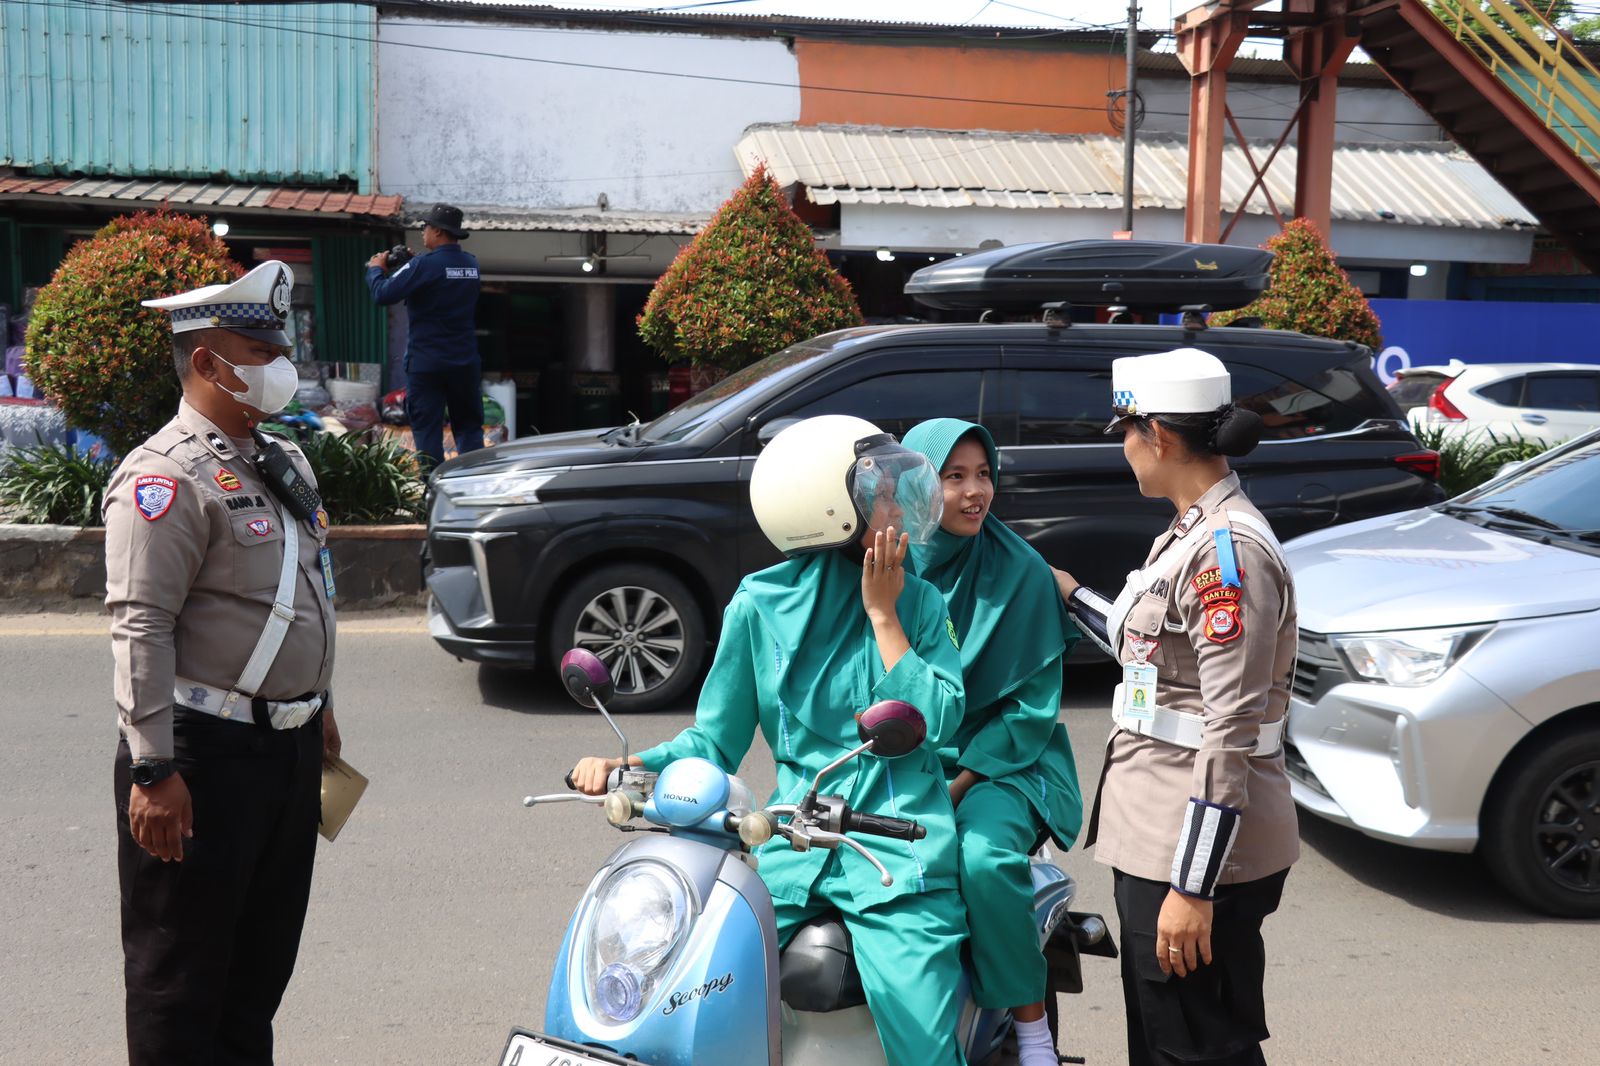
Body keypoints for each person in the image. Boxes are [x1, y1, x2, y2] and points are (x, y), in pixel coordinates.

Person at [570, 414, 972, 1066]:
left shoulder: (919, 601)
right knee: (683, 979)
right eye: (881, 496)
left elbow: (941, 719)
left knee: (922, 1043)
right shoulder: (757, 606)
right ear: (829, 510)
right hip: (791, 852)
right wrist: (627, 764)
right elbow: (714, 740)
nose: (899, 509)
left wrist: (883, 615)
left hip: (897, 863)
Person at [108, 260, 340, 1065]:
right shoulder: (164, 478)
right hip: (202, 756)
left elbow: (308, 589)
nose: (281, 367)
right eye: (260, 352)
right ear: (207, 362)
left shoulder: (283, 461)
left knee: (255, 976)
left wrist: (321, 705)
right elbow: (142, 624)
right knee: (180, 982)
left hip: (287, 749)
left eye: (281, 350)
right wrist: (153, 767)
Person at [1053, 348, 1298, 1066]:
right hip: (1161, 830)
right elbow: (1154, 650)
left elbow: (1230, 725)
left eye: (1126, 433)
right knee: (1174, 1040)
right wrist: (1071, 595)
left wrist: (1194, 888)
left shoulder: (1227, 552)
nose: (1125, 449)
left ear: (1157, 436)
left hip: (1190, 852)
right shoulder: (1193, 528)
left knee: (1191, 1048)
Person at [901, 418, 1083, 1066]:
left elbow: (1028, 713)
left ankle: (1033, 1033)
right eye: (954, 477)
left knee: (979, 858)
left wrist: (954, 788)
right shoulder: (887, 564)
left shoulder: (1021, 570)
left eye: (983, 475)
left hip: (1003, 762)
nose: (975, 491)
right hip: (904, 755)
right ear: (916, 486)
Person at [366, 202, 482, 469]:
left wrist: (375, 269)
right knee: (469, 428)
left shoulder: (424, 264)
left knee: (428, 430)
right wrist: (411, 266)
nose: (423, 232)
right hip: (464, 362)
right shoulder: (471, 264)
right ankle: (474, 481)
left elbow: (383, 294)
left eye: (425, 227)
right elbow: (443, 284)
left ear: (438, 231)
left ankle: (433, 487)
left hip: (428, 364)